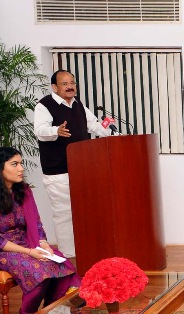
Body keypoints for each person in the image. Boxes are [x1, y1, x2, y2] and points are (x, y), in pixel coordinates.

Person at [0, 147, 79, 314]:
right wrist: (29, 252)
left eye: (21, 164)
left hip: (26, 244)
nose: (21, 168)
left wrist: (44, 245)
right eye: (15, 164)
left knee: (61, 265)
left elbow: (36, 223)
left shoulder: (22, 191)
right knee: (39, 271)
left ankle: (52, 312)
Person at [34, 69, 112, 258]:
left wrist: (113, 134)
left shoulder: (78, 104)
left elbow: (93, 124)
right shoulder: (44, 105)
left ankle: (87, 249)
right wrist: (56, 131)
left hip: (82, 168)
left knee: (85, 210)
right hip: (58, 171)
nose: (70, 87)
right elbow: (40, 130)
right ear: (55, 87)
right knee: (64, 214)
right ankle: (69, 256)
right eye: (65, 84)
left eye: (72, 83)